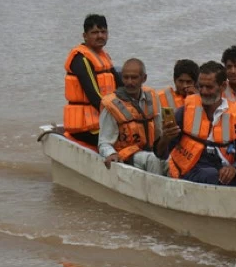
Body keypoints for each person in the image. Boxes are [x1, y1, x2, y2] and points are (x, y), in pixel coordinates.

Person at [162, 61, 236, 186]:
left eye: (209, 87)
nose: (204, 91)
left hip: (222, 173)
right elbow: (161, 154)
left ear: (223, 86)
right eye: (201, 86)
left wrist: (234, 169)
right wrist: (165, 138)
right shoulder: (184, 111)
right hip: (188, 171)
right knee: (211, 174)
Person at [98, 58, 174, 175]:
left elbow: (158, 132)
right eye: (126, 77)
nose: (129, 82)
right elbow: (104, 142)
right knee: (153, 160)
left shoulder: (152, 97)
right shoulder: (112, 105)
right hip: (126, 154)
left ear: (144, 78)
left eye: (134, 78)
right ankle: (154, 190)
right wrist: (111, 154)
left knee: (172, 160)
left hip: (150, 150)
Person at [63, 14, 120, 148]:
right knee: (126, 138)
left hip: (102, 121)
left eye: (103, 32)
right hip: (84, 128)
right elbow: (94, 96)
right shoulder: (81, 59)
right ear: (85, 36)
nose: (100, 36)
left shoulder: (104, 56)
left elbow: (121, 86)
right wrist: (121, 115)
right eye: (94, 32)